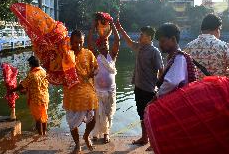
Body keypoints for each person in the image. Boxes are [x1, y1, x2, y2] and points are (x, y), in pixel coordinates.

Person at [116, 22, 164, 146]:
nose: (139, 36)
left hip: (149, 89)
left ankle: (154, 141)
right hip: (138, 87)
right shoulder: (140, 47)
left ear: (149, 37)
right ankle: (144, 138)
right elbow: (129, 42)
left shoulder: (155, 52)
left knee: (150, 115)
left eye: (142, 35)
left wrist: (159, 87)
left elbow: (161, 70)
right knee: (141, 113)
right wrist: (121, 29)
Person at [63, 30, 99, 154]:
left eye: (81, 42)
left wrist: (90, 73)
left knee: (93, 119)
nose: (78, 45)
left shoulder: (88, 53)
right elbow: (57, 71)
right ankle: (77, 144)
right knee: (72, 123)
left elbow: (96, 68)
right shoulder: (65, 55)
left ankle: (86, 136)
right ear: (70, 42)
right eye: (75, 42)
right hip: (71, 94)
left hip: (87, 91)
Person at [88, 14, 120, 144]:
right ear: (98, 46)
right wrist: (93, 26)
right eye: (101, 44)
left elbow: (117, 41)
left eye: (106, 43)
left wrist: (112, 25)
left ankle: (106, 134)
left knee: (108, 114)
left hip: (110, 91)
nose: (104, 46)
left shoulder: (112, 56)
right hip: (97, 90)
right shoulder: (96, 55)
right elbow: (89, 41)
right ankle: (95, 134)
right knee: (97, 114)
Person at [185, 14, 229, 80]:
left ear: (202, 30)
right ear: (218, 29)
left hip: (195, 89)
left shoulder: (188, 47)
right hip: (216, 88)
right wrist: (225, 73)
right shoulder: (224, 46)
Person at [154, 23, 198, 98]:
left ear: (173, 39)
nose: (160, 45)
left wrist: (156, 97)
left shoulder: (179, 58)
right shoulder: (173, 57)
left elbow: (172, 83)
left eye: (162, 41)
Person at [12, 56, 49, 135]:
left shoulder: (32, 74)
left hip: (36, 99)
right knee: (44, 115)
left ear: (32, 65)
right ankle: (44, 132)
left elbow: (22, 85)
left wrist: (12, 90)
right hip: (45, 97)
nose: (29, 66)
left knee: (38, 118)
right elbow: (36, 85)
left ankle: (40, 133)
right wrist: (26, 90)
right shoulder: (43, 71)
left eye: (29, 65)